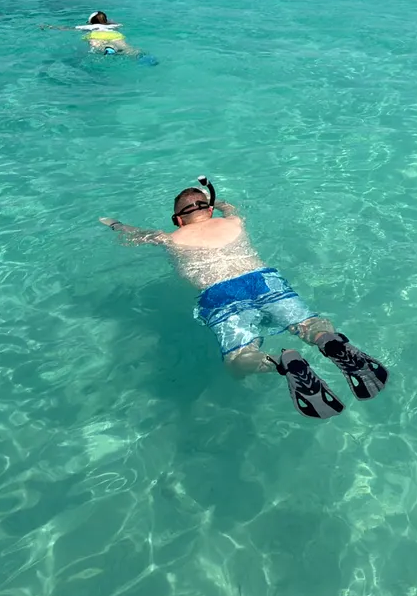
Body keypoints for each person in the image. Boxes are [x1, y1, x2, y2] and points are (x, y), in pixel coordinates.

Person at [99, 180, 388, 419]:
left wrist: (113, 223)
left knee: (238, 359)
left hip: (220, 294)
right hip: (261, 279)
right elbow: (229, 206)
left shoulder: (170, 237)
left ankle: (280, 363)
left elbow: (132, 235)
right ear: (209, 210)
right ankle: (328, 341)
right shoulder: (233, 221)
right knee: (308, 323)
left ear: (178, 220)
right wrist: (217, 199)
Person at [54, 11, 138, 56]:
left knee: (99, 47)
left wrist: (50, 27)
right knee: (126, 48)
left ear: (91, 22)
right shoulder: (113, 25)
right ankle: (138, 55)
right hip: (114, 35)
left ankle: (109, 49)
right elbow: (119, 24)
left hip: (96, 35)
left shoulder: (88, 27)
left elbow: (68, 28)